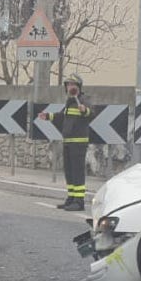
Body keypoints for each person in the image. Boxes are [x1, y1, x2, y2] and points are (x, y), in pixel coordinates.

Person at [38, 73, 92, 211]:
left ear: (78, 86)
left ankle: (79, 202)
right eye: (68, 85)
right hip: (68, 142)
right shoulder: (70, 102)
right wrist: (48, 116)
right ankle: (71, 198)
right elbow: (62, 117)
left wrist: (84, 110)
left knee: (77, 171)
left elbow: (91, 114)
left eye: (72, 84)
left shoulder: (84, 99)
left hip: (78, 143)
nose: (70, 87)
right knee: (69, 172)